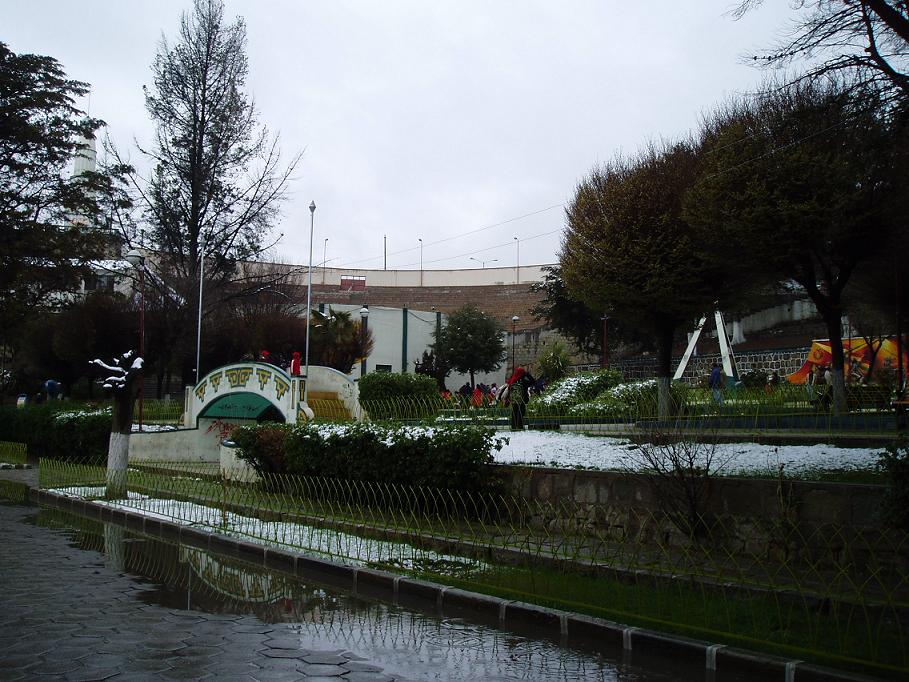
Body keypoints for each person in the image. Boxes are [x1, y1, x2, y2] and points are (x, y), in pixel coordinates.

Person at [506, 365, 536, 430]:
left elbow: (509, 388)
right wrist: (527, 374)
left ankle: (513, 426)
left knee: (514, 412)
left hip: (514, 399)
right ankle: (520, 426)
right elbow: (533, 381)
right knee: (521, 412)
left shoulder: (513, 379)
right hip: (523, 398)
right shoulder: (523, 380)